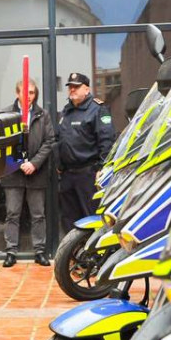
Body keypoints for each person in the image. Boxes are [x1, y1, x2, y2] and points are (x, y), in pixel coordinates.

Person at [0, 78, 54, 268]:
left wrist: (34, 163)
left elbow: (49, 142)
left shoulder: (43, 115)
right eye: (25, 92)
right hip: (13, 173)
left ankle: (39, 251)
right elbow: (3, 142)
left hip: (36, 173)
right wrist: (18, 162)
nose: (28, 96)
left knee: (38, 215)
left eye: (32, 92)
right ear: (17, 93)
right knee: (12, 214)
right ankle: (10, 252)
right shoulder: (7, 114)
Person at [56, 72, 114, 232]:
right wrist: (58, 163)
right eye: (70, 87)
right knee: (69, 219)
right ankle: (72, 255)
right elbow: (59, 139)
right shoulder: (66, 111)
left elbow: (106, 140)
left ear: (87, 89)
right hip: (67, 175)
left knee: (90, 217)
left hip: (88, 175)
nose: (72, 90)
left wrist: (102, 169)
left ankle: (93, 256)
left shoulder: (98, 109)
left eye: (76, 87)